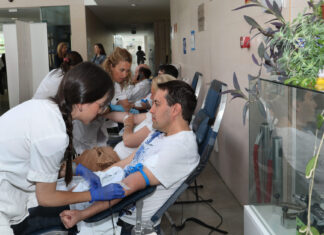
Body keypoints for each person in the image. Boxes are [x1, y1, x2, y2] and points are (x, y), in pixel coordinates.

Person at [0, 62, 126, 234]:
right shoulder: (54, 133)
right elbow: (46, 197)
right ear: (83, 101)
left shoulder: (47, 107)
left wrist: (78, 169)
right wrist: (94, 195)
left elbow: (37, 163)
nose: (102, 111)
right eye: (101, 105)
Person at [59, 80, 199, 234]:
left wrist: (82, 214)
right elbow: (127, 162)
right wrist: (96, 176)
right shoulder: (160, 133)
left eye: (157, 104)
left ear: (175, 110)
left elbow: (127, 187)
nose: (151, 110)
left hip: (121, 218)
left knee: (47, 210)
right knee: (56, 193)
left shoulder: (178, 149)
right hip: (111, 195)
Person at [73, 47, 133, 154]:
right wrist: (110, 109)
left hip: (98, 127)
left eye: (127, 71)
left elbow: (124, 105)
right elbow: (94, 111)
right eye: (122, 70)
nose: (124, 75)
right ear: (111, 66)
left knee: (100, 154)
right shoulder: (98, 81)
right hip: (84, 127)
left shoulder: (116, 84)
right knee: (84, 157)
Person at [106, 74, 177, 160]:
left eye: (153, 94)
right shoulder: (154, 114)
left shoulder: (158, 123)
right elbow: (133, 117)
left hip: (119, 160)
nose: (150, 97)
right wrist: (105, 113)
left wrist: (128, 125)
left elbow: (128, 141)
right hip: (117, 156)